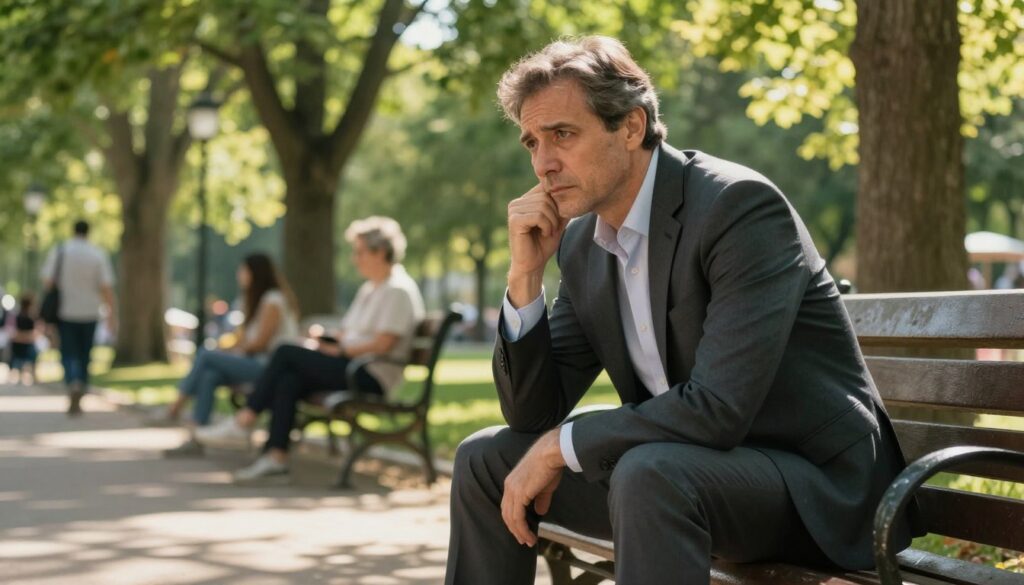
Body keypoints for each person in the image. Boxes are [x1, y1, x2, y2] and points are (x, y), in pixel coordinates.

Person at [444, 36, 917, 585]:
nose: (544, 163)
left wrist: (561, 447)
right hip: (678, 478)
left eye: (562, 135)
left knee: (650, 472)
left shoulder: (737, 207)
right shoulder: (581, 246)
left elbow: (718, 407)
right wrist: (525, 277)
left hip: (812, 489)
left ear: (631, 127)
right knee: (485, 459)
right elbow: (531, 414)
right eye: (531, 142)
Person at [196, 216, 425, 482]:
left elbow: (383, 344)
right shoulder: (370, 289)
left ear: (381, 252)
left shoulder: (397, 290)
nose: (355, 259)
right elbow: (349, 334)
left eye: (360, 252)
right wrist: (324, 340)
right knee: (289, 379)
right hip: (352, 365)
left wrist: (337, 351)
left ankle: (244, 420)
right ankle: (275, 457)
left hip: (370, 375)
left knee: (285, 351)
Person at [159, 253, 300, 457]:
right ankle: (195, 436)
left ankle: (175, 407)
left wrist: (234, 350)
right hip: (255, 362)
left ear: (255, 273)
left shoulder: (273, 300)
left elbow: (260, 344)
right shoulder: (255, 301)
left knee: (206, 355)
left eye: (243, 270)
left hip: (270, 367)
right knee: (209, 374)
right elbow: (244, 340)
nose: (239, 275)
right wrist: (230, 348)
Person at [40, 220, 117, 416]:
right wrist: (111, 315)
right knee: (85, 354)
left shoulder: (61, 251)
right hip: (91, 311)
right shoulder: (97, 254)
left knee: (67, 352)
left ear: (73, 231)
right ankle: (81, 384)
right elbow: (106, 287)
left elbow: (48, 281)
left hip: (66, 311)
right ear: (88, 232)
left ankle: (72, 381)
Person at [8, 293, 41, 385]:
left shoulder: (26, 317)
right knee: (31, 351)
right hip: (22, 344)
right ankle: (28, 373)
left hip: (21, 343)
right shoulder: (24, 318)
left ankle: (24, 373)